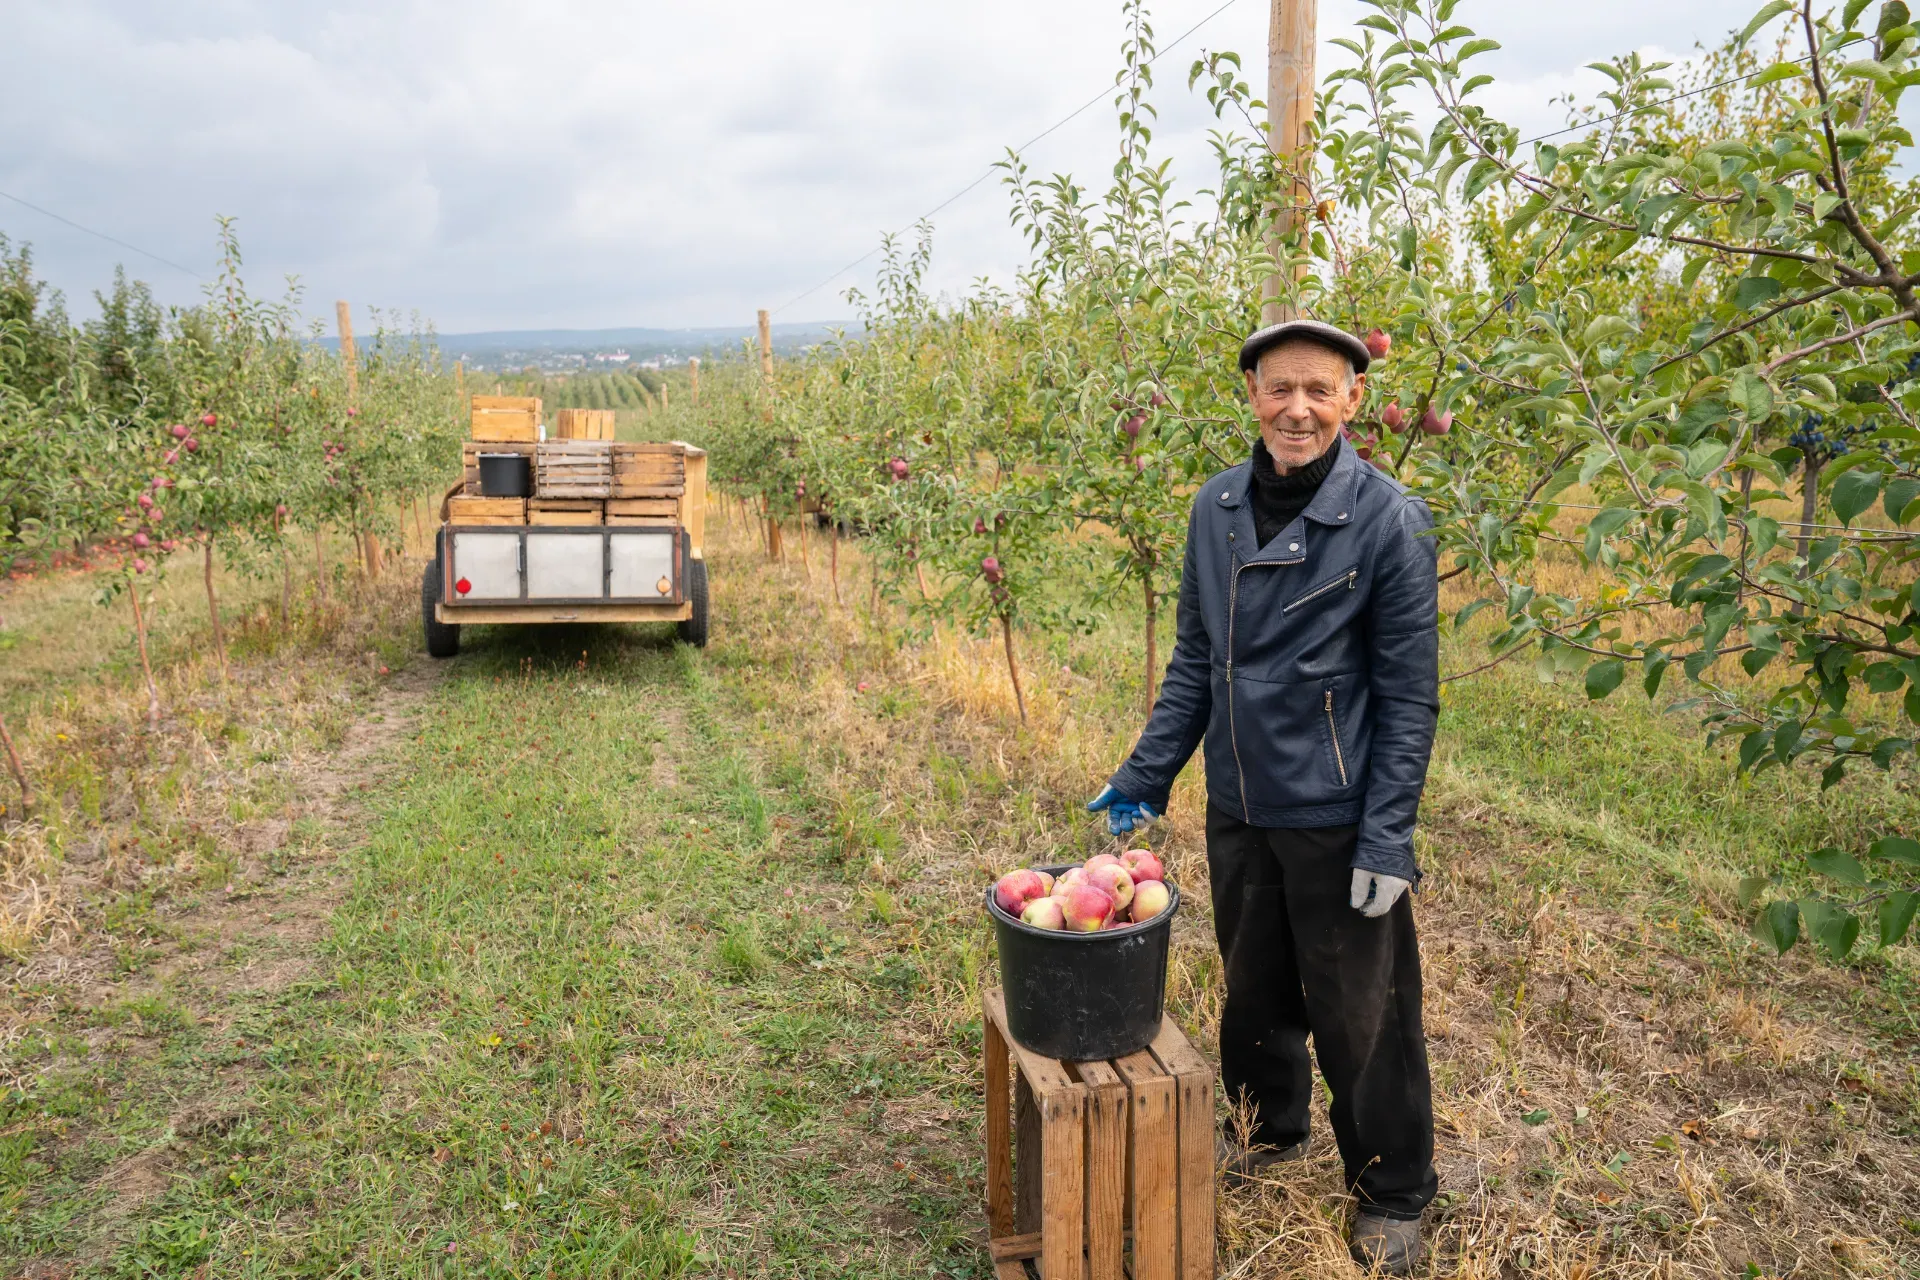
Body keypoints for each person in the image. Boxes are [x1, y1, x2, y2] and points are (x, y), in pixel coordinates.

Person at [1087, 319, 1440, 1274]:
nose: (1298, 409)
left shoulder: (1388, 520)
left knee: (1362, 1012)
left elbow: (1408, 697)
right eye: (1280, 388)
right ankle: (1266, 1128)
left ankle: (1394, 1187)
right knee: (1255, 990)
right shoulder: (1217, 508)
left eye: (1320, 392)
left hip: (1334, 810)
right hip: (1240, 799)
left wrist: (1387, 839)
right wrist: (1147, 774)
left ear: (1352, 402)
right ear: (1251, 393)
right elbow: (1198, 661)